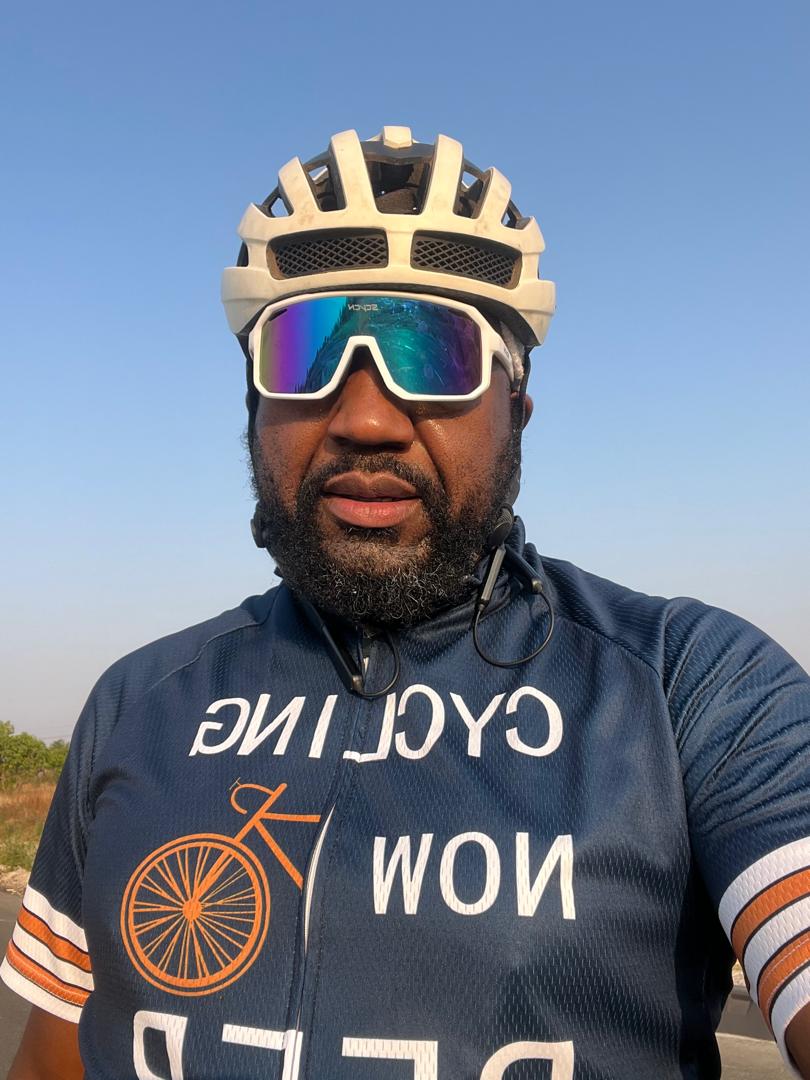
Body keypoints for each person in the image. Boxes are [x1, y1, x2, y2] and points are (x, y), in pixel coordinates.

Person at [3, 126, 808, 1080]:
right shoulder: (137, 704)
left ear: (516, 413)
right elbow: (52, 1058)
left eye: (436, 353)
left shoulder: (692, 690)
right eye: (305, 352)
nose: (366, 418)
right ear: (253, 412)